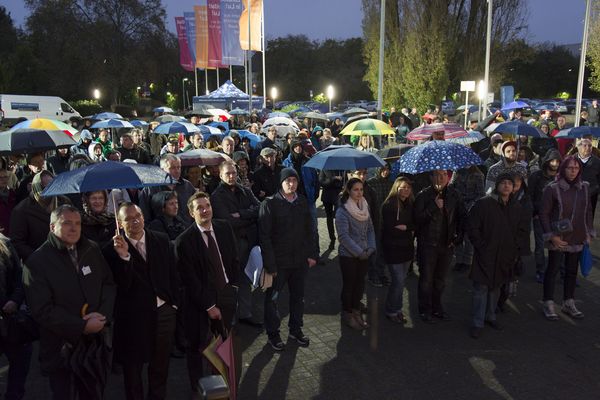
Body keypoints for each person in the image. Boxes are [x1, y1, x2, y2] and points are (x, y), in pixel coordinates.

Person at [22, 205, 115, 400]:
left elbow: (108, 284)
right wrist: (81, 326)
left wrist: (101, 316)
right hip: (61, 349)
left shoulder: (92, 249)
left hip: (93, 346)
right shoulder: (36, 262)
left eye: (77, 223)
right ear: (52, 227)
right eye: (66, 223)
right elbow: (42, 310)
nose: (74, 228)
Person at [104, 203, 180, 400]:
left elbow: (173, 274)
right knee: (133, 370)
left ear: (144, 217)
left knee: (160, 367)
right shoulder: (110, 251)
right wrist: (125, 257)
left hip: (163, 312)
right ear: (119, 223)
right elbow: (121, 286)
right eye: (128, 219)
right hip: (133, 319)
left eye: (138, 215)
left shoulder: (162, 240)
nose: (135, 221)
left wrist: (174, 304)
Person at [175, 192, 239, 393]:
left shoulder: (223, 227)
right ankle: (198, 389)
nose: (205, 210)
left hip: (226, 294)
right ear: (191, 213)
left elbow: (233, 258)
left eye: (207, 206)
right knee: (198, 348)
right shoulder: (184, 241)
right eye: (200, 208)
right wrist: (209, 306)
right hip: (200, 304)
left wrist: (233, 287)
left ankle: (224, 386)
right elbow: (189, 279)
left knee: (224, 345)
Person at [259, 168, 317, 351]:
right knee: (273, 300)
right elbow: (264, 237)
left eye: (294, 180)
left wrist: (313, 254)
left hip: (299, 261)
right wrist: (270, 264)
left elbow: (311, 230)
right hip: (279, 263)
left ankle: (295, 329)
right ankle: (273, 334)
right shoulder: (269, 204)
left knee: (298, 298)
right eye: (288, 181)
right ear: (281, 182)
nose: (291, 184)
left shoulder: (301, 201)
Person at [467, 173, 529, 339]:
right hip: (485, 253)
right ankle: (477, 322)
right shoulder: (484, 204)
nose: (507, 185)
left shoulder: (516, 207)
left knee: (496, 287)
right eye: (503, 183)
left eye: (510, 183)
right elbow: (472, 227)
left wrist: (515, 248)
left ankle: (490, 316)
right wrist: (480, 245)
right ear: (497, 185)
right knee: (481, 288)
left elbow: (522, 230)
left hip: (505, 255)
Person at [539, 156, 594, 320]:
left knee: (571, 271)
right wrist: (552, 236)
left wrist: (588, 232)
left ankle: (568, 302)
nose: (573, 171)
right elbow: (544, 214)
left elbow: (588, 211)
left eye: (576, 168)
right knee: (553, 270)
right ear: (563, 169)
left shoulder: (584, 187)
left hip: (577, 236)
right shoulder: (552, 188)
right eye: (570, 168)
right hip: (558, 236)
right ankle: (548, 303)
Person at [210, 161, 262, 327]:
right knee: (231, 280)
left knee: (246, 278)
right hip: (231, 244)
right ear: (221, 175)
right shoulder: (216, 196)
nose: (232, 176)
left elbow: (260, 208)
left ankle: (245, 313)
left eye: (234, 173)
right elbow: (227, 222)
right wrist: (249, 218)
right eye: (228, 174)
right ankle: (230, 317)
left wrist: (241, 214)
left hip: (249, 242)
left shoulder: (244, 190)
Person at [414, 170, 467, 323]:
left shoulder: (454, 194)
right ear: (431, 177)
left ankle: (437, 307)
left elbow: (462, 217)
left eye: (444, 174)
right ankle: (425, 310)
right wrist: (433, 207)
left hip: (447, 244)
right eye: (437, 174)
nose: (441, 177)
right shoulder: (423, 195)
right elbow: (417, 220)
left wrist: (458, 238)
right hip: (428, 245)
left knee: (441, 280)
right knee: (426, 280)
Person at [335, 178, 375, 330]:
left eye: (361, 189)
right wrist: (359, 252)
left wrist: (371, 247)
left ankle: (357, 311)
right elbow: (343, 237)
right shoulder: (342, 211)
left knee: (360, 284)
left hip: (365, 253)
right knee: (349, 285)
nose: (359, 193)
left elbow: (370, 228)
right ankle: (348, 314)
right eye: (355, 189)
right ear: (349, 191)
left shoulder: (365, 206)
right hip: (349, 256)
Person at [10, 171, 70, 261]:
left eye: (52, 186)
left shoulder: (64, 202)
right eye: (44, 187)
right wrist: (39, 257)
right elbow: (17, 242)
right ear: (36, 187)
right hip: (38, 263)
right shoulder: (22, 210)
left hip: (64, 258)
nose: (49, 191)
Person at [0, 233, 32, 400]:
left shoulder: (4, 244)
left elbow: (20, 278)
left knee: (20, 363)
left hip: (9, 319)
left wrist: (15, 300)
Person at [381, 177, 414, 324]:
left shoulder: (410, 203)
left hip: (406, 248)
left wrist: (407, 227)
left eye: (408, 187)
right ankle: (391, 310)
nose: (406, 190)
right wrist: (407, 228)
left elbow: (415, 223)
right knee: (398, 282)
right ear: (396, 188)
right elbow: (390, 228)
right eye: (403, 187)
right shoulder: (389, 205)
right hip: (393, 249)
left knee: (401, 281)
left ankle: (398, 308)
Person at [528, 149, 562, 282]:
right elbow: (529, 196)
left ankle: (557, 271)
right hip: (539, 216)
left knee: (558, 245)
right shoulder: (537, 176)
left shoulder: (561, 177)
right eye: (552, 160)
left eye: (558, 161)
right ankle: (540, 270)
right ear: (547, 161)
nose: (555, 164)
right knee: (540, 246)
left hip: (558, 218)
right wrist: (534, 213)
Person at [139, 154, 196, 225]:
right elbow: (145, 215)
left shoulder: (187, 186)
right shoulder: (150, 189)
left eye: (179, 167)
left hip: (187, 231)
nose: (177, 171)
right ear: (162, 170)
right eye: (172, 168)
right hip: (161, 233)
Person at [449, 165, 485, 272]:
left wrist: (471, 206)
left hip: (471, 208)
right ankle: (459, 260)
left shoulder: (478, 175)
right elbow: (451, 187)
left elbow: (481, 194)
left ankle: (467, 261)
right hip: (458, 207)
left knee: (468, 236)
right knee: (458, 234)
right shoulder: (457, 172)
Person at [574, 138, 600, 218]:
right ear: (578, 147)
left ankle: (589, 229)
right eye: (584, 145)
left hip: (591, 192)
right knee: (575, 213)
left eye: (590, 146)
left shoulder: (597, 161)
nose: (588, 148)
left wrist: (596, 188)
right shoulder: (571, 160)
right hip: (574, 192)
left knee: (589, 214)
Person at [319, 169, 344, 249]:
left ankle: (343, 240)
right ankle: (332, 239)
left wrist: (344, 186)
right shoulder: (325, 168)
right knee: (329, 218)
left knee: (339, 218)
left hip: (339, 196)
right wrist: (333, 179)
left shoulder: (343, 167)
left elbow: (347, 180)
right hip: (327, 197)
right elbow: (321, 182)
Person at [0, 169, 17, 235]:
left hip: (13, 232)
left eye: (5, 177)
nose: (3, 180)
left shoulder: (13, 194)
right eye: (0, 177)